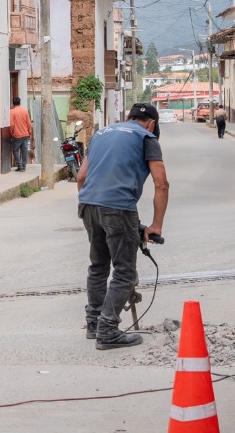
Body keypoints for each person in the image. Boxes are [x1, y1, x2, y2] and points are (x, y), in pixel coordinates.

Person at [75, 103, 169, 350]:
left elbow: (81, 177)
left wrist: (90, 202)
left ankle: (94, 323)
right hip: (118, 207)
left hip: (88, 204)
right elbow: (161, 184)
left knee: (98, 266)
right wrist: (156, 225)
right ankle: (107, 330)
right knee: (125, 271)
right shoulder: (147, 137)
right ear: (151, 123)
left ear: (129, 118)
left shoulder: (101, 133)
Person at [10, 97, 33, 172]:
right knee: (24, 150)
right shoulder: (25, 111)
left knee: (15, 150)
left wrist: (12, 132)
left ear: (13, 103)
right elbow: (29, 123)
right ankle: (24, 165)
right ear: (20, 103)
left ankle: (19, 165)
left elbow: (12, 124)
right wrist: (29, 132)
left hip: (17, 135)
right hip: (25, 134)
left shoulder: (12, 112)